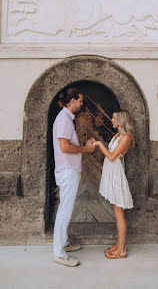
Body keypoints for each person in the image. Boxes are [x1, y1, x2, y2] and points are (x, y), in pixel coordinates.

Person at [53, 87, 95, 267]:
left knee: (66, 209)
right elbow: (64, 147)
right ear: (72, 101)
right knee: (65, 210)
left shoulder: (66, 119)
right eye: (80, 100)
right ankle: (59, 253)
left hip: (69, 169)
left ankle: (64, 243)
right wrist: (85, 149)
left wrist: (83, 146)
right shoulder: (63, 119)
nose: (82, 103)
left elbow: (69, 145)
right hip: (68, 170)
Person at [93, 110, 134, 259]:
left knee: (119, 213)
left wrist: (98, 143)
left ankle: (122, 250)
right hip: (111, 173)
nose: (111, 120)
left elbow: (111, 157)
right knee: (117, 213)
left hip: (116, 175)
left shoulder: (126, 138)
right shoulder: (118, 135)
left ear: (121, 120)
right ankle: (118, 245)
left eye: (114, 118)